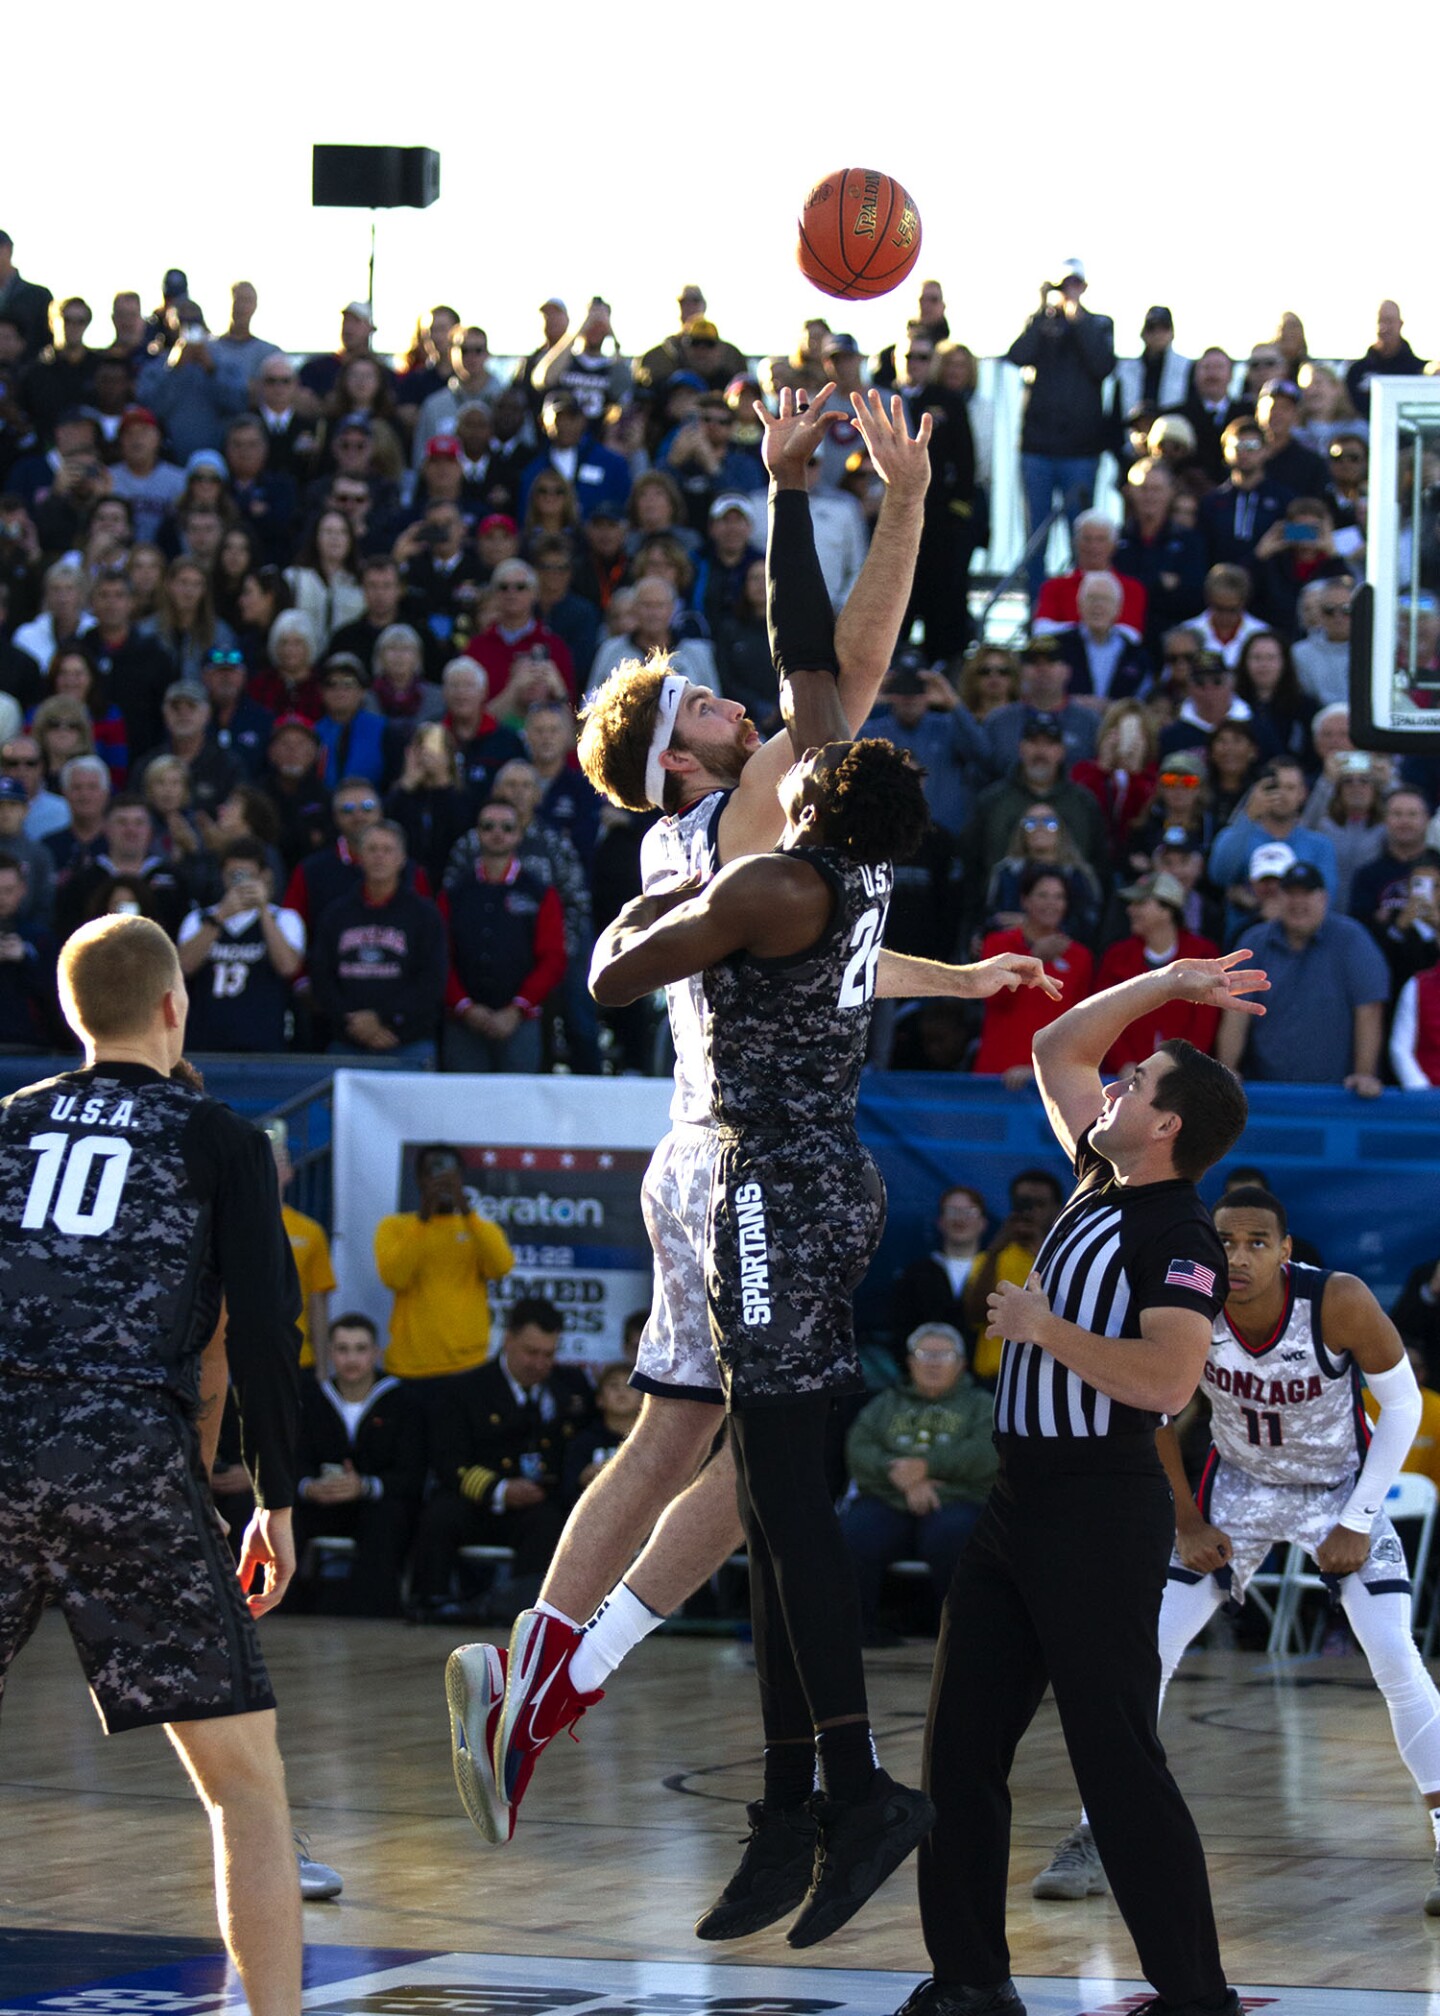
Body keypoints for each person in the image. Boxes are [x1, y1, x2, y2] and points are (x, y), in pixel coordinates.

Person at [590, 729, 938, 1947]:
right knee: (772, 1502)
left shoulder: (772, 883)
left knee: (788, 1507)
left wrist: (647, 900)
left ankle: (858, 1789)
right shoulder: (857, 872)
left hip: (771, 1190)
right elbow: (819, 691)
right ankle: (794, 1803)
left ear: (813, 799)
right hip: (819, 1176)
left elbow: (611, 981)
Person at [901, 962, 1264, 2016]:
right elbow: (1056, 1046)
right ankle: (971, 1982)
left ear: (1167, 1128)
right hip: (1018, 1501)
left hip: (1101, 1508)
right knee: (959, 1752)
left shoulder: (1179, 1235)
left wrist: (1043, 1328)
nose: (1113, 1085)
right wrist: (1170, 981)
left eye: (1137, 1082)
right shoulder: (1099, 1176)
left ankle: (1197, 1998)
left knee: (1116, 1758)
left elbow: (1167, 1382)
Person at [0, 912, 303, 2014]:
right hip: (126, 1452)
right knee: (244, 1787)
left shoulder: (8, 1125)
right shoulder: (220, 1138)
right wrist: (274, 1498)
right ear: (175, 1006)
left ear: (71, 1012)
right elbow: (262, 1332)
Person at [1032, 1185, 1440, 1918]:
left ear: (1286, 1250)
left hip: (1339, 1490)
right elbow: (1152, 1409)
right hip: (1236, 1491)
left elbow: (1404, 1404)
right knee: (1143, 1655)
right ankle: (1097, 1833)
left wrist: (1358, 1518)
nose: (1239, 1257)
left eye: (1257, 1242)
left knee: (1394, 1658)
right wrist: (1186, 1519)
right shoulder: (1185, 1305)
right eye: (1225, 1241)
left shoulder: (1338, 1300)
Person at [412, 1296, 586, 1621]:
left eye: (548, 1354)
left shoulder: (567, 1389)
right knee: (439, 1515)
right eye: (531, 1352)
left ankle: (527, 1614)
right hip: (476, 1501)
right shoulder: (466, 1390)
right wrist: (500, 1490)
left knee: (550, 1523)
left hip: (532, 1506)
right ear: (508, 1341)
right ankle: (432, 1603)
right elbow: (448, 1460)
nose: (539, 1364)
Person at [840, 1323, 997, 1644]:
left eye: (944, 1355)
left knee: (953, 1536)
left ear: (962, 1364)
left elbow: (987, 1453)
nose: (933, 1363)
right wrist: (900, 1476)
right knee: (853, 1532)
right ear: (910, 1361)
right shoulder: (885, 1403)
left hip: (956, 1501)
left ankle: (960, 1637)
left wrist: (926, 1467)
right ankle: (854, 1633)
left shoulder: (982, 1405)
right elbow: (859, 1448)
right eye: (925, 1354)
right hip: (890, 1500)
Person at [1216, 862, 1390, 1094]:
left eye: (1306, 894)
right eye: (1290, 893)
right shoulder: (1254, 942)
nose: (1298, 902)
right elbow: (1236, 1011)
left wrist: (1364, 1074)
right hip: (1265, 1094)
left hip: (1336, 1096)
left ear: (1324, 898)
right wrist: (1228, 1070)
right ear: (1278, 898)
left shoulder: (1352, 940)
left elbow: (1369, 1010)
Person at [293, 1312, 424, 1618]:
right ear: (329, 1353)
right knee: (283, 1514)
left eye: (360, 1349)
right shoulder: (310, 1400)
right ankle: (281, 1608)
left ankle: (375, 1613)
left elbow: (412, 1472)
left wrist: (365, 1486)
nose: (351, 1359)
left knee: (390, 1516)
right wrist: (309, 1487)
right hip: (321, 1504)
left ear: (376, 1352)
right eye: (342, 1349)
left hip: (374, 1504)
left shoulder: (402, 1402)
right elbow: (294, 1461)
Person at [1005, 262, 1117, 597]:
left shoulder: (1099, 323)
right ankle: (1038, 610)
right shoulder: (1042, 323)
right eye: (1063, 284)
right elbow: (1018, 355)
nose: (1068, 289)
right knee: (1036, 535)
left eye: (1074, 284)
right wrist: (1042, 310)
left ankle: (1080, 606)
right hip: (1037, 448)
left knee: (1082, 537)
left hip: (1080, 451)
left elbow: (1102, 364)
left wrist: (1076, 317)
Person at [373, 1142, 514, 1382]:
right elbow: (395, 1278)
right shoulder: (395, 1226)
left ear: (461, 1179)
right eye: (434, 1173)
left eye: (450, 1174)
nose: (442, 1182)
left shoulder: (479, 1228)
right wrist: (424, 1220)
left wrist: (466, 1211)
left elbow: (501, 1268)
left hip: (467, 1364)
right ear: (420, 1179)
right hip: (410, 1364)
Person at [308, 821, 446, 1064]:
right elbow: (322, 976)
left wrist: (384, 1018)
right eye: (372, 849)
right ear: (360, 857)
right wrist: (355, 1022)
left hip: (408, 1042)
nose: (379, 856)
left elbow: (432, 980)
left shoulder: (424, 915)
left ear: (402, 859)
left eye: (387, 849)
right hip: (348, 1040)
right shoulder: (336, 914)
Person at [177, 838, 304, 1052]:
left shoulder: (284, 918)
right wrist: (221, 915)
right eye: (233, 875)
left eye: (248, 875)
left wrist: (262, 909)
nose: (240, 883)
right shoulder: (198, 919)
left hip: (264, 1040)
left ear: (264, 876)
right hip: (206, 1040)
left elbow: (288, 967)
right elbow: (185, 966)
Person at [962, 1171, 1066, 1386]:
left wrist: (1041, 1247)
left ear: (1057, 1210)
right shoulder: (991, 1258)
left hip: (1048, 1377)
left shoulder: (1066, 1258)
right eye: (1022, 1203)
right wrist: (996, 1250)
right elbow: (974, 1314)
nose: (1030, 1211)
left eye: (1040, 1204)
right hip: (995, 1378)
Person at [261, 1118, 335, 1376]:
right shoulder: (229, 1227)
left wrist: (322, 1370)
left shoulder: (310, 1231)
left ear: (289, 1172)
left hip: (298, 1359)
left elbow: (318, 1303)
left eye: (278, 1160)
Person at [890, 1186, 989, 1363]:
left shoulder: (998, 1272)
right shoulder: (915, 1275)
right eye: (952, 1211)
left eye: (969, 1212)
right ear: (940, 1221)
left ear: (983, 1222)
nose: (960, 1219)